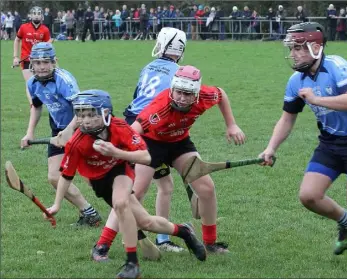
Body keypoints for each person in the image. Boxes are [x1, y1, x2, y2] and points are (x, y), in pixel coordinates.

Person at [46, 89, 207, 279]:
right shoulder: (77, 142)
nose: (85, 120)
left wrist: (116, 152)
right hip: (101, 184)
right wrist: (57, 204)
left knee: (121, 204)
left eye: (91, 114)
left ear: (105, 113)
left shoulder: (120, 127)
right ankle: (184, 231)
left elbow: (146, 156)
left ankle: (132, 264)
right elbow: (66, 175)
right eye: (80, 115)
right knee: (146, 222)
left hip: (121, 172)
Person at [259, 22, 347, 255]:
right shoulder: (296, 81)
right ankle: (346, 224)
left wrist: (317, 100)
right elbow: (287, 119)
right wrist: (271, 148)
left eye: (297, 48)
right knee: (309, 196)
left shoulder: (336, 65)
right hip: (330, 143)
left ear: (315, 47)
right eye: (291, 48)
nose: (292, 54)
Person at [90, 27, 189, 260]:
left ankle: (162, 239)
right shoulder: (179, 73)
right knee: (133, 193)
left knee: (165, 185)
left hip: (135, 123)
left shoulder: (148, 66)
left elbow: (137, 96)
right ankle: (102, 244)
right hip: (147, 131)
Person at [131, 65, 246, 254]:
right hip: (151, 144)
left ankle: (210, 243)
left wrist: (231, 125)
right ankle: (104, 244)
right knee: (135, 193)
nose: (182, 98)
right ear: (172, 88)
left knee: (206, 188)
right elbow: (134, 132)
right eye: (178, 93)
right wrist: (122, 155)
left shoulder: (205, 95)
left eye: (188, 94)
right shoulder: (160, 107)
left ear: (197, 93)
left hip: (179, 143)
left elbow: (221, 94)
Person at [20, 42, 102, 227]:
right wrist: (29, 133)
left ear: (54, 62)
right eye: (37, 62)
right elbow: (37, 107)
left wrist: (69, 131)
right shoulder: (32, 83)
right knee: (54, 177)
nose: (41, 66)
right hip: (58, 129)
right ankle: (89, 213)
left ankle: (122, 208)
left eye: (46, 62)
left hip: (81, 127)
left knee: (93, 178)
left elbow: (82, 110)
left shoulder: (64, 80)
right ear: (32, 63)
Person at [13, 6, 51, 104]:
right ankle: (32, 105)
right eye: (34, 14)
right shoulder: (23, 27)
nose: (36, 16)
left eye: (39, 14)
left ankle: (38, 102)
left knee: (40, 83)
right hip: (26, 60)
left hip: (40, 60)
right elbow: (17, 40)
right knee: (30, 83)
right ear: (30, 16)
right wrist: (15, 57)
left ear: (42, 16)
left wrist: (52, 57)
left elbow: (48, 46)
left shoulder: (45, 30)